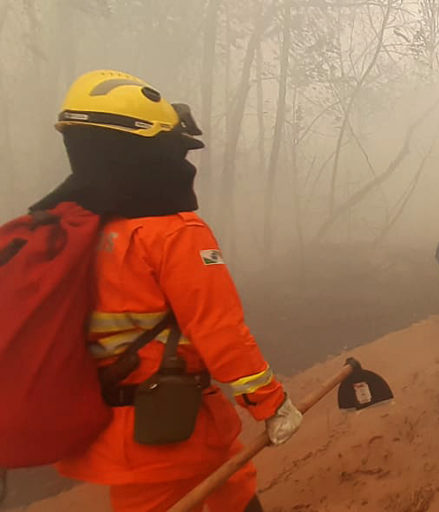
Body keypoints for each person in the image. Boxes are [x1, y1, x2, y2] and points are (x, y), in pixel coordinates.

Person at [34, 70, 302, 512]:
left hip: (126, 426)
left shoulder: (76, 229)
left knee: (235, 487)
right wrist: (271, 403)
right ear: (148, 152)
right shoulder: (174, 234)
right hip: (168, 432)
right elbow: (221, 330)